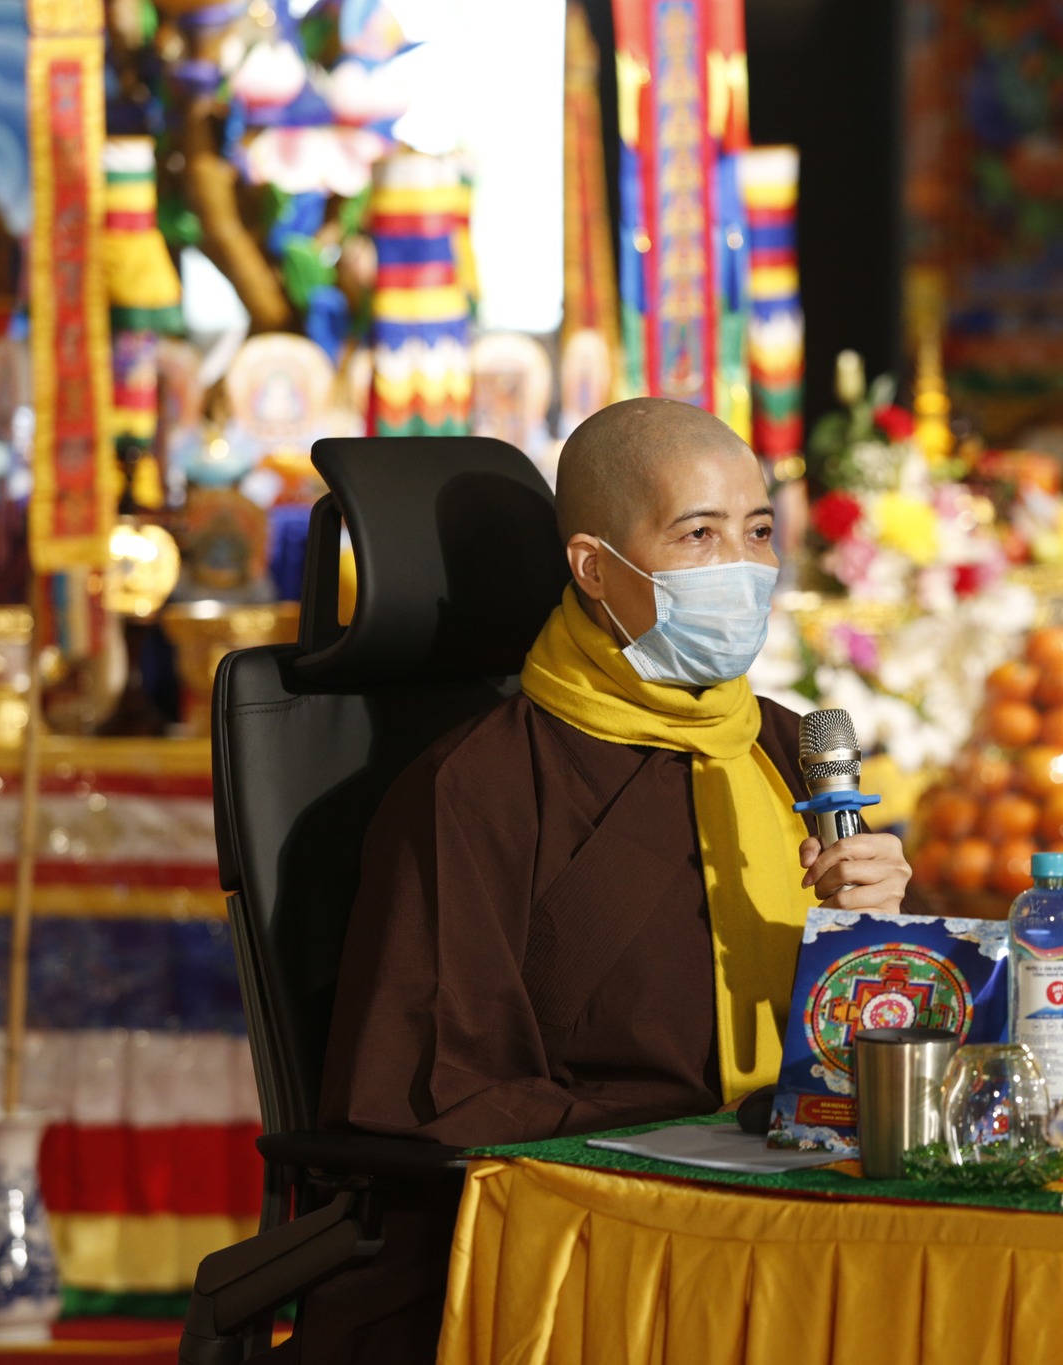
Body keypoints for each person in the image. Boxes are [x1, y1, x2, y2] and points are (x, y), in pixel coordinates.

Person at [305, 398, 913, 1359]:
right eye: (699, 534)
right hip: (605, 1222)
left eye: (759, 532)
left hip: (814, 1190)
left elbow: (874, 1037)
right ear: (593, 567)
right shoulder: (478, 785)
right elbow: (436, 1089)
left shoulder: (789, 748)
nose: (743, 566)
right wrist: (706, 1133)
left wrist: (888, 937)